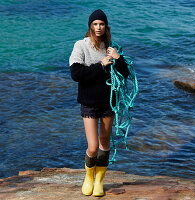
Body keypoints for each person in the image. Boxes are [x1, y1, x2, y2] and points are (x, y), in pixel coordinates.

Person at [69, 9, 129, 197]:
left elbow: (125, 75)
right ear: (90, 26)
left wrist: (118, 59)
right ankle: (88, 177)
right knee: (93, 146)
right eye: (95, 24)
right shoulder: (81, 45)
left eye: (101, 24)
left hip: (109, 102)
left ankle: (100, 180)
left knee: (105, 143)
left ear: (106, 26)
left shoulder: (111, 46)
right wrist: (100, 64)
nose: (98, 27)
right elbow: (76, 74)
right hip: (89, 103)